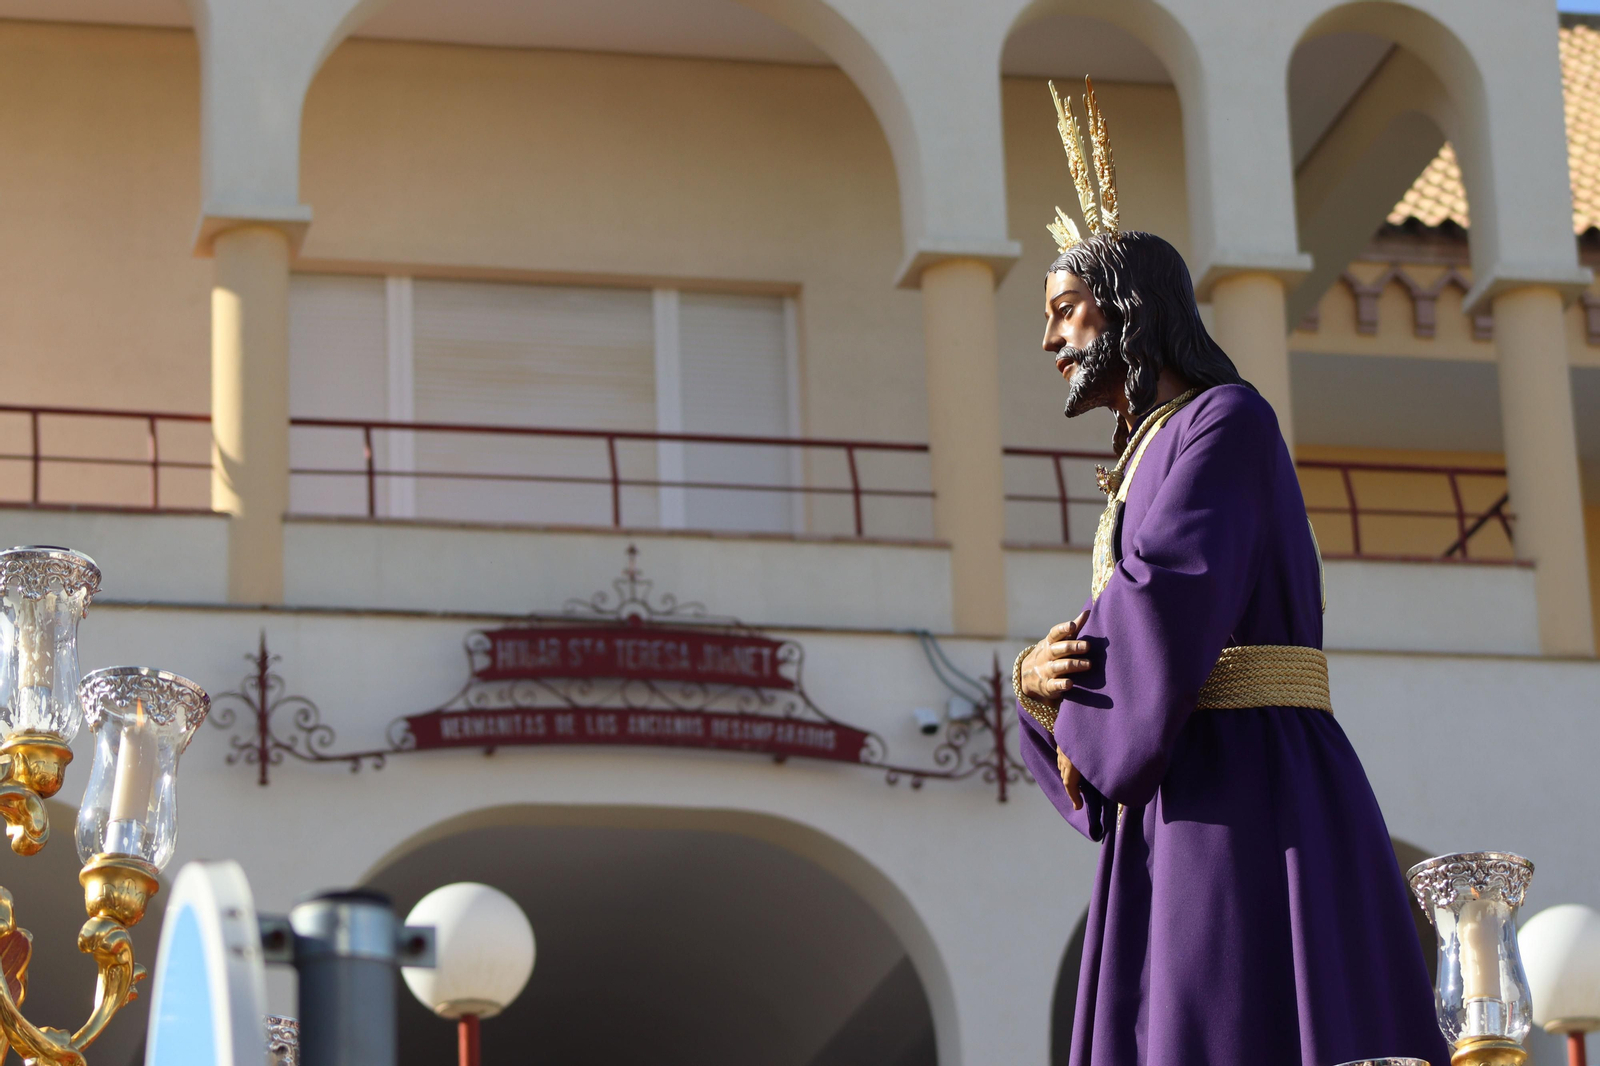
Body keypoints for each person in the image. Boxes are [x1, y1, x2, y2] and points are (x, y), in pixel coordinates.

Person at [1015, 80, 1449, 1066]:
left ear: (1125, 311)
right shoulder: (1148, 453)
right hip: (1180, 781)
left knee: (1227, 1014)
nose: (1049, 342)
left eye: (1065, 313)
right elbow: (1125, 623)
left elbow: (1166, 597)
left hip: (1247, 777)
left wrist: (1056, 689)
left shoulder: (1223, 422)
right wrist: (1038, 693)